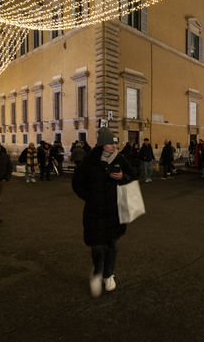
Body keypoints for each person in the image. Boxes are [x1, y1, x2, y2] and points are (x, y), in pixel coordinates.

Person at [71, 127, 135, 298]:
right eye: (110, 143)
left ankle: (108, 275)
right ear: (101, 145)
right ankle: (97, 271)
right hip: (95, 212)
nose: (114, 146)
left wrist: (123, 177)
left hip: (116, 211)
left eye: (114, 143)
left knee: (113, 245)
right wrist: (89, 198)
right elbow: (77, 183)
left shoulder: (120, 160)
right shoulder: (89, 163)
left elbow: (134, 175)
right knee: (98, 246)